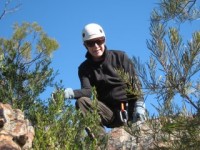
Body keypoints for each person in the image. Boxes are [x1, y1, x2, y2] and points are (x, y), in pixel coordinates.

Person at [53, 23, 146, 139]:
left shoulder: (120, 57)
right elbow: (87, 92)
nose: (96, 46)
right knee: (82, 102)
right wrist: (68, 93)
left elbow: (135, 83)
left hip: (130, 111)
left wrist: (139, 106)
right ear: (85, 45)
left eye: (99, 41)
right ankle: (101, 142)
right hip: (108, 114)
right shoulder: (84, 68)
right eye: (91, 43)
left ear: (104, 40)